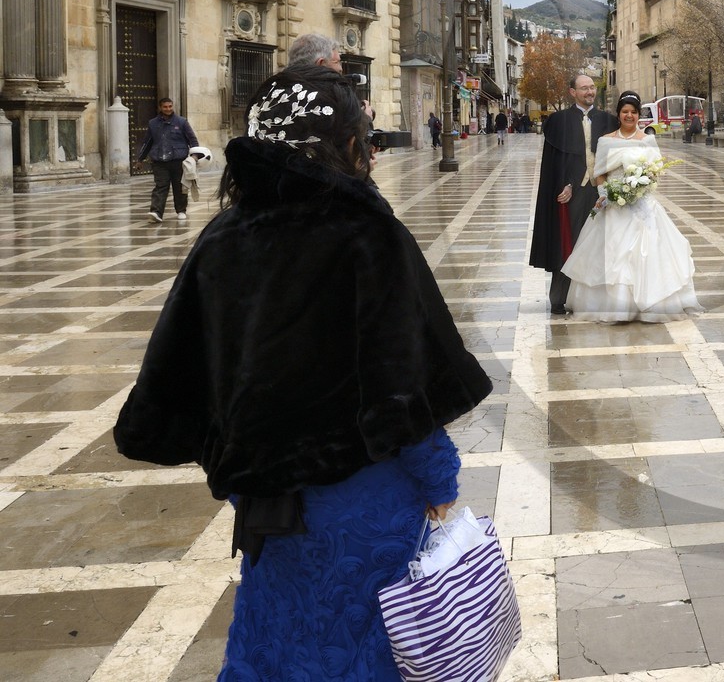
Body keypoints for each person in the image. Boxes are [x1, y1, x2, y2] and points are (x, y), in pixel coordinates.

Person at [113, 64, 492, 680]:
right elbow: (402, 391)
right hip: (363, 500)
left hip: (268, 505)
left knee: (278, 638)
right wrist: (441, 480)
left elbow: (182, 372)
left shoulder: (223, 237)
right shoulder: (368, 236)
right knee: (362, 648)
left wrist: (237, 459)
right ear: (347, 147)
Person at [563, 91, 703, 323]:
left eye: (633, 112)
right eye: (625, 111)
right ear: (618, 114)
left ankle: (650, 303)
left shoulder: (647, 140)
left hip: (642, 205)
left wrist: (640, 188)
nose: (629, 116)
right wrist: (606, 194)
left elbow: (656, 171)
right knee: (615, 255)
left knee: (647, 254)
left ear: (639, 115)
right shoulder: (606, 140)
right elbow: (599, 173)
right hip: (614, 205)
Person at [530, 73, 618, 313]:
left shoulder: (608, 121)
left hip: (599, 191)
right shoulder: (559, 121)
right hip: (573, 193)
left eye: (592, 88)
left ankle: (595, 298)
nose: (590, 92)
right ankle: (559, 298)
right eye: (584, 88)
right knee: (567, 243)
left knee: (601, 244)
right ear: (573, 92)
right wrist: (565, 184)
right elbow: (554, 162)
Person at [135, 97, 199, 224]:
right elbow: (147, 142)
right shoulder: (153, 124)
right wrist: (140, 159)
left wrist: (195, 156)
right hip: (159, 161)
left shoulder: (182, 122)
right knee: (160, 186)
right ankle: (156, 212)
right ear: (160, 107)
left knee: (179, 187)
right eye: (165, 107)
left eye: (170, 106)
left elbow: (192, 140)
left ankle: (181, 210)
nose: (168, 109)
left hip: (178, 160)